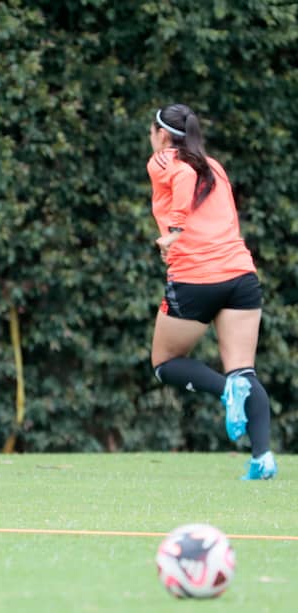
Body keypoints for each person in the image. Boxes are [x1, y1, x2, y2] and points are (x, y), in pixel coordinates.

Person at [148, 103, 277, 480]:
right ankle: (262, 458)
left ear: (163, 134)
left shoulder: (164, 160)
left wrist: (174, 230)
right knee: (245, 370)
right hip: (240, 275)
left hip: (197, 277)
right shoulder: (214, 165)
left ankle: (226, 391)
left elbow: (183, 180)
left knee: (165, 362)